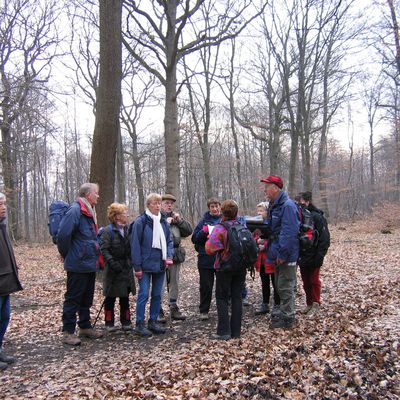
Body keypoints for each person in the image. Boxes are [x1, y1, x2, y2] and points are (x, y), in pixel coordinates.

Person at [57, 183, 104, 346]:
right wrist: (66, 253)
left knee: (87, 296)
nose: (98, 196)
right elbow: (63, 234)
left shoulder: (90, 210)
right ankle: (68, 331)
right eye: (96, 193)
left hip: (89, 261)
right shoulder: (76, 210)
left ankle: (84, 326)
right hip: (78, 262)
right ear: (88, 194)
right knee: (73, 297)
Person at [130, 193, 173, 337]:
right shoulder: (140, 222)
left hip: (160, 263)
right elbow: (135, 245)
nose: (157, 206)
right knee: (143, 294)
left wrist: (168, 256)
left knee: (157, 294)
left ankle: (153, 321)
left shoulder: (163, 222)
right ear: (148, 205)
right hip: (144, 264)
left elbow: (169, 241)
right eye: (154, 203)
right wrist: (137, 266)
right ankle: (139, 323)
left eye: (159, 203)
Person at [261, 175, 300, 329]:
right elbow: (273, 229)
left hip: (286, 254)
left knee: (285, 286)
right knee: (280, 285)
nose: (265, 190)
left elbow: (289, 232)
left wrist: (282, 254)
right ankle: (285, 314)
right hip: (276, 251)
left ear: (276, 188)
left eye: (267, 186)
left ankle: (288, 318)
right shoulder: (274, 205)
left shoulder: (287, 206)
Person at [205, 200, 247, 340]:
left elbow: (210, 249)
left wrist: (208, 239)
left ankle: (223, 331)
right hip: (241, 266)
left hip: (224, 267)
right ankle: (236, 332)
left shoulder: (220, 228)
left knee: (222, 298)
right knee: (237, 297)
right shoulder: (242, 225)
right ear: (236, 212)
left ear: (223, 212)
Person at [99, 203, 135, 332]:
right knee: (110, 297)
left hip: (126, 268)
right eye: (124, 213)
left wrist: (131, 262)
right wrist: (112, 263)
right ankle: (109, 323)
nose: (127, 215)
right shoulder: (107, 231)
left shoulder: (128, 229)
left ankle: (126, 322)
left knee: (125, 296)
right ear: (117, 216)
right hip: (113, 270)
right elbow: (104, 249)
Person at [297, 191, 330, 315]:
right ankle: (309, 303)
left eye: (301, 202)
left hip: (315, 253)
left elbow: (324, 238)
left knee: (313, 280)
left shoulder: (317, 217)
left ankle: (316, 303)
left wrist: (320, 255)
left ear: (307, 201)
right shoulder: (299, 216)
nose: (300, 205)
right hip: (303, 253)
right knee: (305, 280)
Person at [161, 194, 192, 321]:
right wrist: (166, 224)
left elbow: (188, 231)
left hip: (175, 253)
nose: (169, 205)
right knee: (161, 283)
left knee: (174, 282)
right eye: (166, 203)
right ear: (161, 204)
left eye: (171, 203)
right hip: (161, 254)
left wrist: (180, 221)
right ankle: (157, 310)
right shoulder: (156, 218)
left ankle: (173, 307)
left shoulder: (176, 217)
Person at [0, 193, 22, 370]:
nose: (3, 207)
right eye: (0, 204)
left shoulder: (3, 226)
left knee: (4, 317)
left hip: (5, 282)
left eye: (4, 203)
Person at [191, 198, 222, 320]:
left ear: (220, 206)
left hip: (221, 258)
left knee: (222, 286)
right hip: (205, 259)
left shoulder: (224, 219)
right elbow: (194, 239)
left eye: (217, 206)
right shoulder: (204, 221)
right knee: (206, 286)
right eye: (212, 206)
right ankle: (204, 311)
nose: (215, 209)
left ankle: (223, 308)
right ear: (209, 208)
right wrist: (204, 232)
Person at [252, 202, 281, 316]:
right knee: (264, 282)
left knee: (275, 282)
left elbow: (275, 238)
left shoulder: (272, 224)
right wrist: (256, 242)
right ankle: (265, 303)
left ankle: (277, 304)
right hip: (261, 259)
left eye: (261, 211)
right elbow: (252, 237)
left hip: (271, 258)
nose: (259, 213)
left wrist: (266, 244)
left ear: (267, 211)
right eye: (258, 211)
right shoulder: (255, 224)